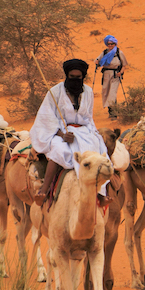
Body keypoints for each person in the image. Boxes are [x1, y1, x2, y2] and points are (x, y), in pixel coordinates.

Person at [30, 58, 110, 206]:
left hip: (84, 131)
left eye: (78, 78)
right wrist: (62, 134)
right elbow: (47, 118)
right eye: (71, 77)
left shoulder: (88, 92)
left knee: (100, 150)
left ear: (83, 77)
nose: (75, 80)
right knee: (59, 150)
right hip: (60, 131)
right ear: (67, 76)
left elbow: (88, 117)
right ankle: (44, 190)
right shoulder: (55, 92)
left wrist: (92, 132)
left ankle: (102, 192)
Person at [94, 35, 128, 120]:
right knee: (106, 92)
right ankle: (110, 111)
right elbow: (97, 60)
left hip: (115, 75)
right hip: (106, 74)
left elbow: (124, 65)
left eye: (112, 44)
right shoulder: (104, 52)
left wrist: (121, 72)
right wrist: (97, 62)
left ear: (115, 44)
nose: (110, 45)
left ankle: (114, 113)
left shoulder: (119, 52)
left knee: (112, 93)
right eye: (108, 44)